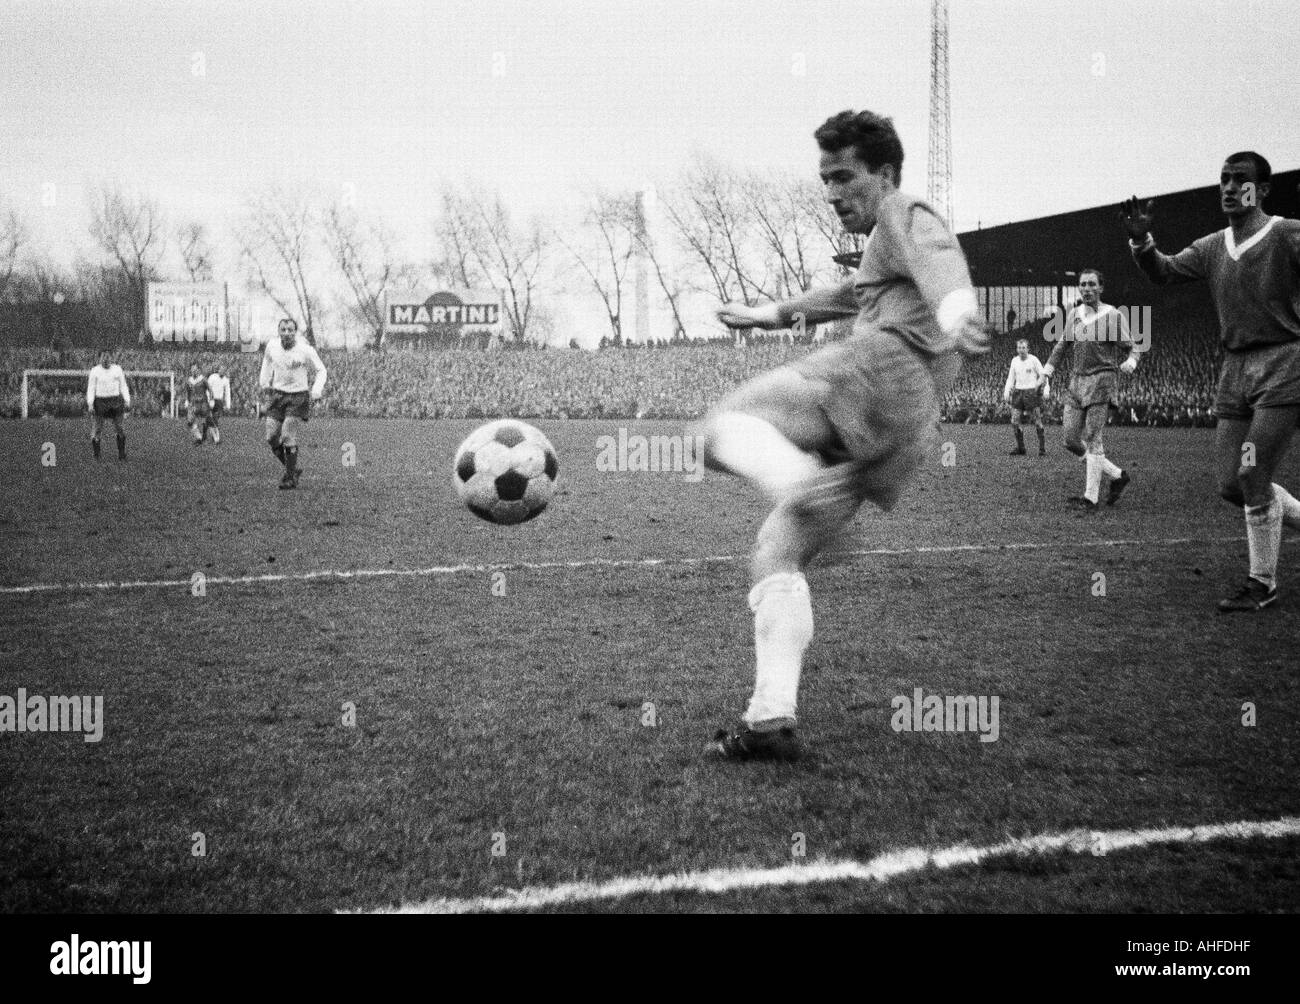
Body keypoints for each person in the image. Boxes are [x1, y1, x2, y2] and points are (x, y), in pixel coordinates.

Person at [697, 109, 989, 760]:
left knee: (717, 432)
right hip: (905, 427)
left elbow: (934, 250)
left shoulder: (902, 209)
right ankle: (771, 716)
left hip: (878, 371)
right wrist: (773, 312)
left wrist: (958, 308)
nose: (832, 194)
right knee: (777, 551)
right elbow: (848, 293)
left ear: (883, 174)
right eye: (825, 180)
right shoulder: (881, 252)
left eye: (843, 176)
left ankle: (798, 479)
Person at [1123, 151, 1300, 612]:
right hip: (1234, 370)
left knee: (1253, 471)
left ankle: (1262, 583)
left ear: (1261, 190)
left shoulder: (1285, 233)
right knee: (1230, 484)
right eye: (1223, 178)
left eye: (1239, 179)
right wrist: (1141, 240)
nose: (1227, 187)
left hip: (1283, 362)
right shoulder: (1212, 246)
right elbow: (1162, 272)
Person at [1042, 269, 1138, 508]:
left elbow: (1133, 346)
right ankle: (1117, 475)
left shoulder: (1113, 315)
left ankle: (1090, 498)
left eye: (1091, 284)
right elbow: (1062, 345)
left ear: (1100, 288)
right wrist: (1047, 372)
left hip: (1102, 380)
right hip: (1077, 381)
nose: (1086, 288)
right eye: (1082, 284)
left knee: (1093, 437)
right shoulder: (1074, 314)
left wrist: (1132, 360)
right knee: (1070, 439)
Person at [259, 318, 327, 489]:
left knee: (288, 435)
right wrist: (265, 383)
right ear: (279, 331)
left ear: (295, 332)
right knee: (271, 437)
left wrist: (316, 389)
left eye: (290, 330)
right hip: (278, 396)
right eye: (283, 329)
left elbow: (321, 369)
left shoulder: (305, 349)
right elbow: (267, 362)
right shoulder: (272, 346)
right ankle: (293, 469)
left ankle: (289, 478)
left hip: (298, 397)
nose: (287, 333)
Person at [1003, 337, 1048, 455]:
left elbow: (1043, 374)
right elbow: (1010, 377)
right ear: (1017, 349)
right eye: (1019, 347)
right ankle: (1021, 448)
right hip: (1018, 392)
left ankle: (1042, 448)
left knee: (1037, 421)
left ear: (1028, 349)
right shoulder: (1014, 361)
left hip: (1031, 392)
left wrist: (1046, 388)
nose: (1021, 350)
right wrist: (1007, 389)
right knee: (1014, 421)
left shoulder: (1033, 360)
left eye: (1023, 347)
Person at [85, 348, 130, 461]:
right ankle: (97, 455)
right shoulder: (95, 371)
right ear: (99, 358)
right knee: (97, 429)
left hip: (116, 401)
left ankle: (121, 454)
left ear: (111, 357)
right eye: (103, 356)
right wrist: (90, 404)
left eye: (108, 356)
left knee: (120, 428)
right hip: (100, 401)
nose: (106, 358)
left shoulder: (117, 369)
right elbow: (91, 388)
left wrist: (127, 400)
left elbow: (123, 386)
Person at [184, 364, 212, 446]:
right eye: (192, 370)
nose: (194, 371)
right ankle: (199, 437)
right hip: (193, 404)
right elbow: (188, 392)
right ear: (191, 371)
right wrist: (187, 401)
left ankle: (204, 436)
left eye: (195, 369)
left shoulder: (203, 379)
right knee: (189, 422)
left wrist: (211, 400)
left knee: (206, 420)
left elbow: (210, 390)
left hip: (203, 403)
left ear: (198, 370)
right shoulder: (189, 381)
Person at [206, 365, 231, 445]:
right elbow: (207, 389)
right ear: (218, 370)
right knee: (209, 419)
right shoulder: (212, 377)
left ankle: (217, 438)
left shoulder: (226, 380)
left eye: (224, 370)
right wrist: (208, 399)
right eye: (221, 369)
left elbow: (227, 393)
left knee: (215, 419)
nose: (222, 371)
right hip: (211, 400)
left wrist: (228, 405)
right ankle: (216, 438)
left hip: (219, 402)